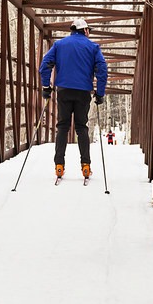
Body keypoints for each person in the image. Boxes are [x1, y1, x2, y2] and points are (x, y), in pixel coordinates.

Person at [39, 17, 107, 182]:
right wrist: (99, 93)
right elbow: (102, 69)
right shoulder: (92, 47)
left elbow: (45, 65)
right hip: (83, 92)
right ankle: (85, 165)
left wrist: (46, 87)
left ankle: (59, 165)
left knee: (62, 127)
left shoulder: (59, 45)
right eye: (88, 30)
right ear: (85, 30)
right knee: (81, 127)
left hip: (64, 90)